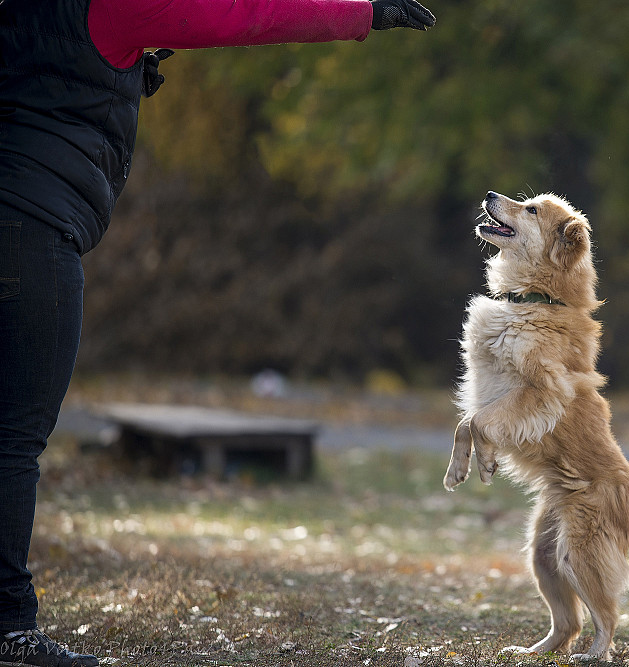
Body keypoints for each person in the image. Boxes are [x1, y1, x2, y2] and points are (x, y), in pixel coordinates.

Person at [0, 0, 434, 664]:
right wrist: (363, 11)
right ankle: (9, 625)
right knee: (13, 437)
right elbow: (249, 15)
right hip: (28, 231)